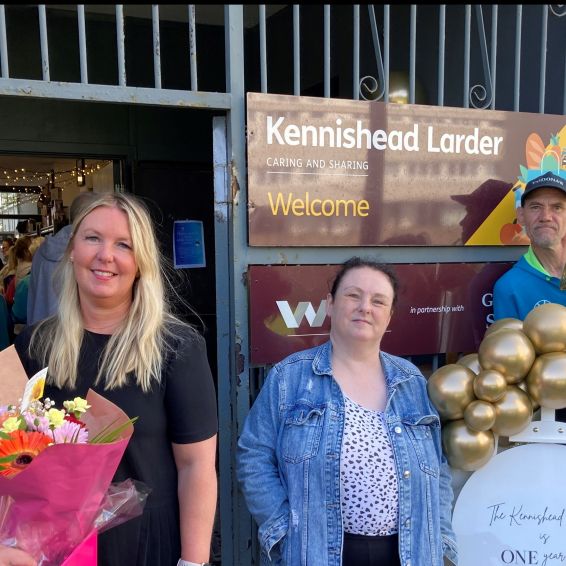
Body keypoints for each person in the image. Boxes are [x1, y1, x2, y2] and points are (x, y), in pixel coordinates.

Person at [14, 192, 218, 566]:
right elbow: (12, 454)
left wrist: (194, 561)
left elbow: (197, 467)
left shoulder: (175, 348)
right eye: (92, 238)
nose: (105, 255)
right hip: (51, 545)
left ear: (140, 263)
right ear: (72, 249)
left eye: (123, 244)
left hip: (146, 544)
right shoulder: (35, 344)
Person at [237, 257, 457, 566]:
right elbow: (254, 457)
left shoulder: (412, 381)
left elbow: (439, 469)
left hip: (409, 553)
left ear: (390, 315)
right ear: (330, 303)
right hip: (314, 553)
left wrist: (442, 540)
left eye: (378, 301)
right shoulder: (290, 378)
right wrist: (284, 532)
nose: (365, 307)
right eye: (354, 295)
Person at [493, 171, 566, 320]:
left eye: (557, 207)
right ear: (521, 215)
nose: (545, 217)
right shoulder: (509, 287)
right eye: (535, 207)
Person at [27, 191, 100, 325]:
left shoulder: (41, 251)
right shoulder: (90, 252)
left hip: (40, 331)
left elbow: (33, 295)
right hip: (76, 333)